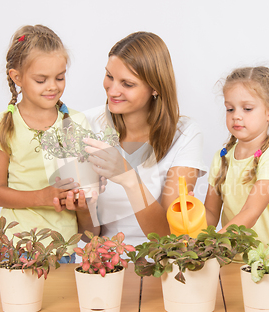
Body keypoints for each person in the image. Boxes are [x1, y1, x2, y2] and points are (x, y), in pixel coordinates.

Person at [55, 32, 208, 246]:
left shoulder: (185, 134)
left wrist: (128, 176)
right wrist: (83, 208)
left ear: (155, 87)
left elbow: (171, 237)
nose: (112, 90)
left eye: (127, 84)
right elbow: (87, 234)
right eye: (109, 76)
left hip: (164, 263)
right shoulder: (84, 124)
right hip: (107, 263)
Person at [0, 25, 92, 262]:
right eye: (41, 80)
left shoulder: (76, 122)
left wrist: (82, 199)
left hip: (63, 247)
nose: (53, 86)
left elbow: (83, 186)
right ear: (17, 77)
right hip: (16, 245)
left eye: (60, 77)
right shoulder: (3, 124)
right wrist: (41, 197)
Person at [205, 66, 269, 244]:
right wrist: (191, 211)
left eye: (247, 109)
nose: (236, 116)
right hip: (230, 258)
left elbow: (251, 212)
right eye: (230, 109)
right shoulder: (221, 158)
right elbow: (211, 215)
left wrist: (216, 242)